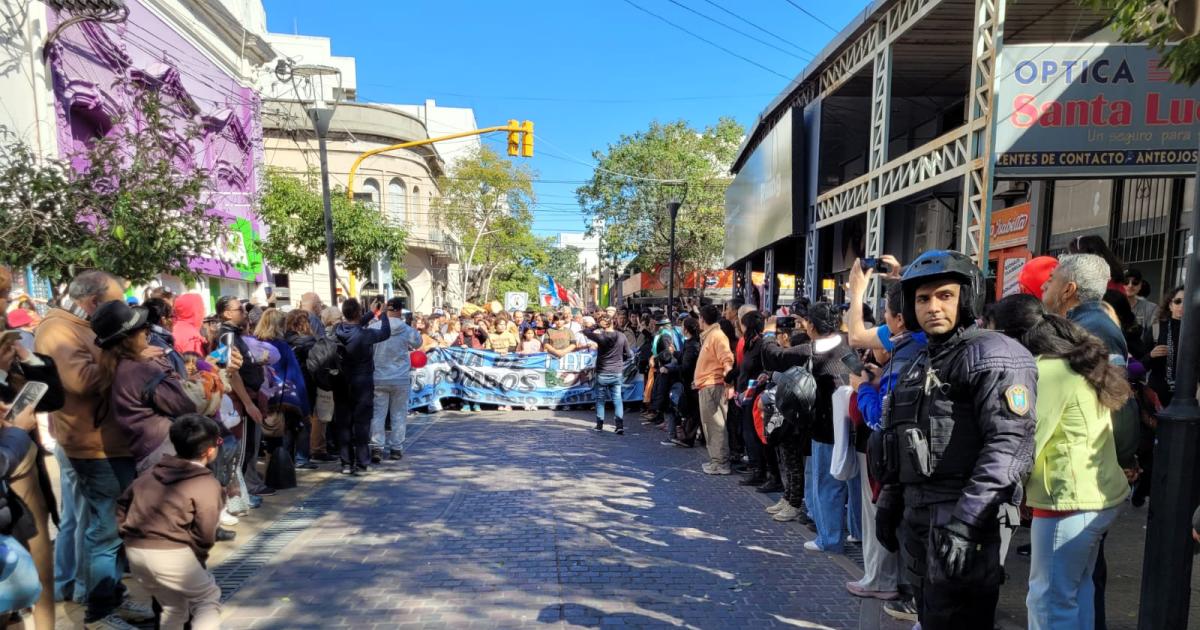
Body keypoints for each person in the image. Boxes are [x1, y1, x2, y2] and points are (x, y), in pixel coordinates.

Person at [872, 250, 1037, 630]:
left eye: (945, 295)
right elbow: (900, 434)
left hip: (964, 512)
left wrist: (968, 521)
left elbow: (1010, 445)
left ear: (967, 297)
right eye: (922, 299)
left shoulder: (995, 354)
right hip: (919, 510)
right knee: (931, 614)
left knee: (959, 617)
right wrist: (890, 499)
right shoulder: (920, 359)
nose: (933, 307)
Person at [990, 294, 1130, 630]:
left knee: (1049, 599)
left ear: (1012, 336)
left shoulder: (1046, 371)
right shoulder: (1069, 360)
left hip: (1068, 501)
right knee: (1077, 591)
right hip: (1095, 497)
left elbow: (1026, 441)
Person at [35, 270, 157, 629]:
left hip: (115, 442)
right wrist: (133, 356)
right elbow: (82, 381)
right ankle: (99, 612)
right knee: (104, 530)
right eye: (117, 303)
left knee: (116, 527)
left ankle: (113, 597)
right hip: (93, 446)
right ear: (93, 302)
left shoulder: (82, 326)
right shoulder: (57, 330)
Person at [116, 414, 224, 630]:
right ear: (210, 450)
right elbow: (205, 532)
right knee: (207, 598)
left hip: (136, 553)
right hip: (172, 554)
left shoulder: (150, 474)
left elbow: (122, 506)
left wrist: (127, 535)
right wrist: (197, 555)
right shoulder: (206, 484)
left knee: (174, 607)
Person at [760, 303, 853, 544]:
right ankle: (850, 533)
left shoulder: (812, 350)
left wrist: (769, 332)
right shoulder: (846, 346)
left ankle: (829, 539)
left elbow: (774, 357)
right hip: (850, 424)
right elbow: (861, 374)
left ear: (811, 325)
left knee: (826, 485)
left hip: (825, 428)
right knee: (847, 487)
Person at [93, 300, 197, 474]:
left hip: (144, 449)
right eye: (144, 328)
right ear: (130, 338)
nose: (147, 333)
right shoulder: (141, 368)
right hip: (164, 450)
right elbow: (184, 403)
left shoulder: (116, 365)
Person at [215, 295, 272, 499]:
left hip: (247, 395)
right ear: (227, 313)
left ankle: (244, 490)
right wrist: (248, 404)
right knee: (243, 448)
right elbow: (231, 371)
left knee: (248, 447)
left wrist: (255, 364)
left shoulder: (233, 334)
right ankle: (240, 494)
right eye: (240, 309)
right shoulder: (227, 336)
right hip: (241, 399)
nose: (244, 313)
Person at [331, 298, 390, 475]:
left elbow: (354, 326)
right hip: (362, 382)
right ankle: (362, 462)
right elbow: (385, 333)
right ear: (358, 312)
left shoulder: (337, 330)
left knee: (343, 423)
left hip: (341, 380)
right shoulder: (366, 334)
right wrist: (383, 314)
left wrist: (371, 313)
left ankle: (346, 463)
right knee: (362, 423)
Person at [254, 309, 309, 486]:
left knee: (258, 442)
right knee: (280, 440)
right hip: (279, 400)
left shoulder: (252, 343)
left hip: (256, 398)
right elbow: (294, 377)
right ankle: (278, 477)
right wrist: (304, 408)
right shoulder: (283, 347)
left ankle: (260, 477)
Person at [370, 298, 421, 462]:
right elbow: (418, 343)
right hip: (400, 377)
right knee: (399, 414)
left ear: (386, 310)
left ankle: (377, 447)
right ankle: (396, 448)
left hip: (379, 376)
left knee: (378, 413)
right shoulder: (406, 329)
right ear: (400, 310)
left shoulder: (374, 327)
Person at [694, 305, 735, 474]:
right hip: (708, 385)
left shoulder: (717, 336)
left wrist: (729, 384)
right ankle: (717, 461)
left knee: (715, 426)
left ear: (702, 319)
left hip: (713, 386)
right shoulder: (711, 335)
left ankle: (721, 463)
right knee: (711, 426)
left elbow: (727, 360)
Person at [582, 313, 633, 434]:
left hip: (602, 372)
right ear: (613, 322)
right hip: (616, 372)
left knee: (600, 400)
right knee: (617, 399)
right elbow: (629, 354)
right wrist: (620, 360)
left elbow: (585, 331)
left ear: (603, 324)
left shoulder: (600, 336)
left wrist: (596, 325)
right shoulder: (621, 336)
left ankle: (599, 425)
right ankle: (619, 426)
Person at [283, 310, 319, 469]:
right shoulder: (308, 341)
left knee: (288, 422)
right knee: (304, 420)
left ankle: (287, 457)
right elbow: (315, 363)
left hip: (285, 385)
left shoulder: (282, 340)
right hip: (304, 383)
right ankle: (302, 457)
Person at [1122, 268, 1159, 334]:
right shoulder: (1110, 307)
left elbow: (1155, 335)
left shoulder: (1151, 308)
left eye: (1135, 282)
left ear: (1140, 285)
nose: (1130, 285)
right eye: (1125, 282)